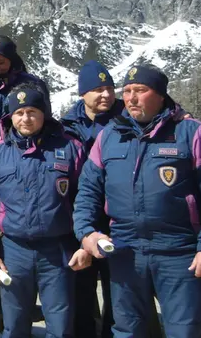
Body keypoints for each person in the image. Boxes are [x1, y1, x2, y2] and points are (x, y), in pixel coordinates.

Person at [74, 65, 201, 338]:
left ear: (161, 94)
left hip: (179, 252)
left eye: (140, 90)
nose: (131, 98)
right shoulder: (110, 135)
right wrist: (87, 233)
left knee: (184, 331)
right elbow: (88, 192)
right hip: (125, 250)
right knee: (127, 330)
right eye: (126, 92)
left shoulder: (192, 132)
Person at [0, 82, 91, 338]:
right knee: (14, 325)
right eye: (19, 113)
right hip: (14, 251)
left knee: (60, 326)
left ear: (44, 113)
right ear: (11, 116)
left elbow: (87, 198)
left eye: (32, 112)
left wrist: (85, 243)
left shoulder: (70, 148)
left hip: (58, 251)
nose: (25, 118)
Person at [60, 61, 122, 338]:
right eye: (98, 89)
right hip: (80, 218)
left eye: (109, 88)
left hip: (117, 218)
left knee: (118, 290)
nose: (106, 95)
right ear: (83, 93)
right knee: (80, 288)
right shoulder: (66, 126)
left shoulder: (127, 120)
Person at [0, 35, 48, 137]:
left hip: (15, 148)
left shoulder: (33, 84)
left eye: (1, 62)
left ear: (11, 61)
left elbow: (45, 119)